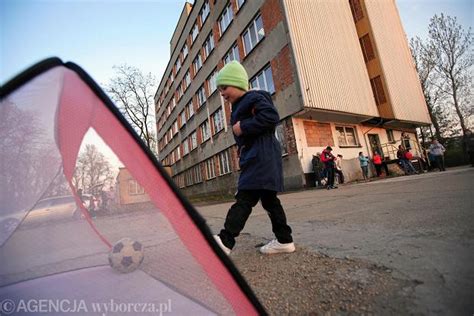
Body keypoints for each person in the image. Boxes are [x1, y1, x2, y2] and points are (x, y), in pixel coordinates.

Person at [213, 61, 295, 255]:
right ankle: (285, 239)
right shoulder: (241, 104)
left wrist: (243, 127)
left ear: (239, 84)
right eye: (219, 89)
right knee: (269, 200)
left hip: (261, 157)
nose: (222, 93)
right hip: (259, 157)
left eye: (224, 87)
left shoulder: (254, 98)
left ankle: (225, 241)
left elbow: (270, 117)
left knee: (245, 198)